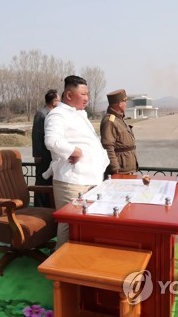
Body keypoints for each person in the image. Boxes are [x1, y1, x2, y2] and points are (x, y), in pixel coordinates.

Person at [44, 75, 109, 249]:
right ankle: (59, 271)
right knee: (68, 227)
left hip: (90, 180)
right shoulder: (58, 114)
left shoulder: (79, 115)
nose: (87, 98)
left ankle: (77, 267)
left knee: (84, 228)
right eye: (83, 94)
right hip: (71, 182)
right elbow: (51, 140)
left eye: (88, 93)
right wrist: (74, 151)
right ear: (69, 95)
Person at [100, 89, 139, 176]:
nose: (126, 104)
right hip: (120, 171)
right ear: (119, 104)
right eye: (124, 101)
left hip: (126, 170)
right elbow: (108, 146)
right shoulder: (110, 121)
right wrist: (115, 168)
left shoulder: (119, 119)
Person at [31, 89, 60, 207]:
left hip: (51, 156)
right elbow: (36, 135)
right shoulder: (41, 114)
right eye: (58, 100)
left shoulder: (54, 114)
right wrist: (37, 155)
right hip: (43, 156)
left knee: (49, 183)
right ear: (53, 102)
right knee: (42, 182)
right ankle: (39, 206)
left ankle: (49, 206)